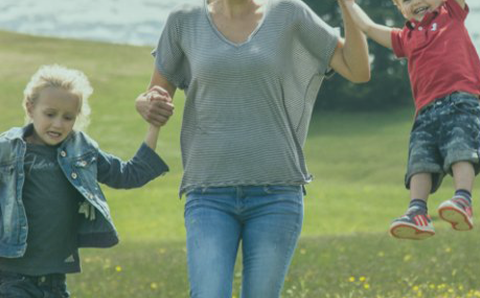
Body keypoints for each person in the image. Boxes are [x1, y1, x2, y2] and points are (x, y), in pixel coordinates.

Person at [136, 0, 372, 296]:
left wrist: (347, 5)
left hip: (277, 194)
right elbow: (155, 93)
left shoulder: (289, 12)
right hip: (208, 194)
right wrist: (145, 103)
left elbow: (358, 69)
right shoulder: (184, 21)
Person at [0, 65, 170, 298]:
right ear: (30, 107)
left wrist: (154, 126)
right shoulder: (9, 147)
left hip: (55, 278)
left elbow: (128, 174)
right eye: (50, 114)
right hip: (11, 275)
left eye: (68, 117)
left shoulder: (83, 150)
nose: (58, 124)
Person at [342, 0, 480, 240]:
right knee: (419, 162)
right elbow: (369, 27)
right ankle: (417, 212)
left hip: (459, 100)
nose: (415, 1)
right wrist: (347, 2)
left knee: (461, 149)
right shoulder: (405, 37)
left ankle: (463, 199)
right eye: (405, 1)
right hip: (424, 112)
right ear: (400, 9)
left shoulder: (451, 13)